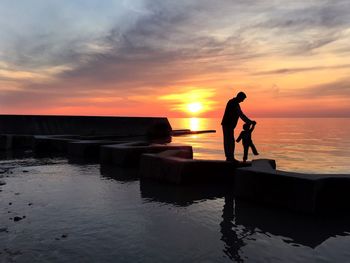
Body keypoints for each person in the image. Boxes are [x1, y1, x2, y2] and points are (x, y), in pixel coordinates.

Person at [221, 91, 256, 162]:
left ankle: (229, 157)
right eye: (243, 99)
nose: (243, 101)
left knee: (229, 141)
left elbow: (241, 115)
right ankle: (230, 158)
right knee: (229, 141)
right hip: (227, 125)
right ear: (240, 97)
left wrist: (249, 121)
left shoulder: (234, 103)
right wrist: (250, 122)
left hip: (228, 125)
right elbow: (241, 115)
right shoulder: (233, 103)